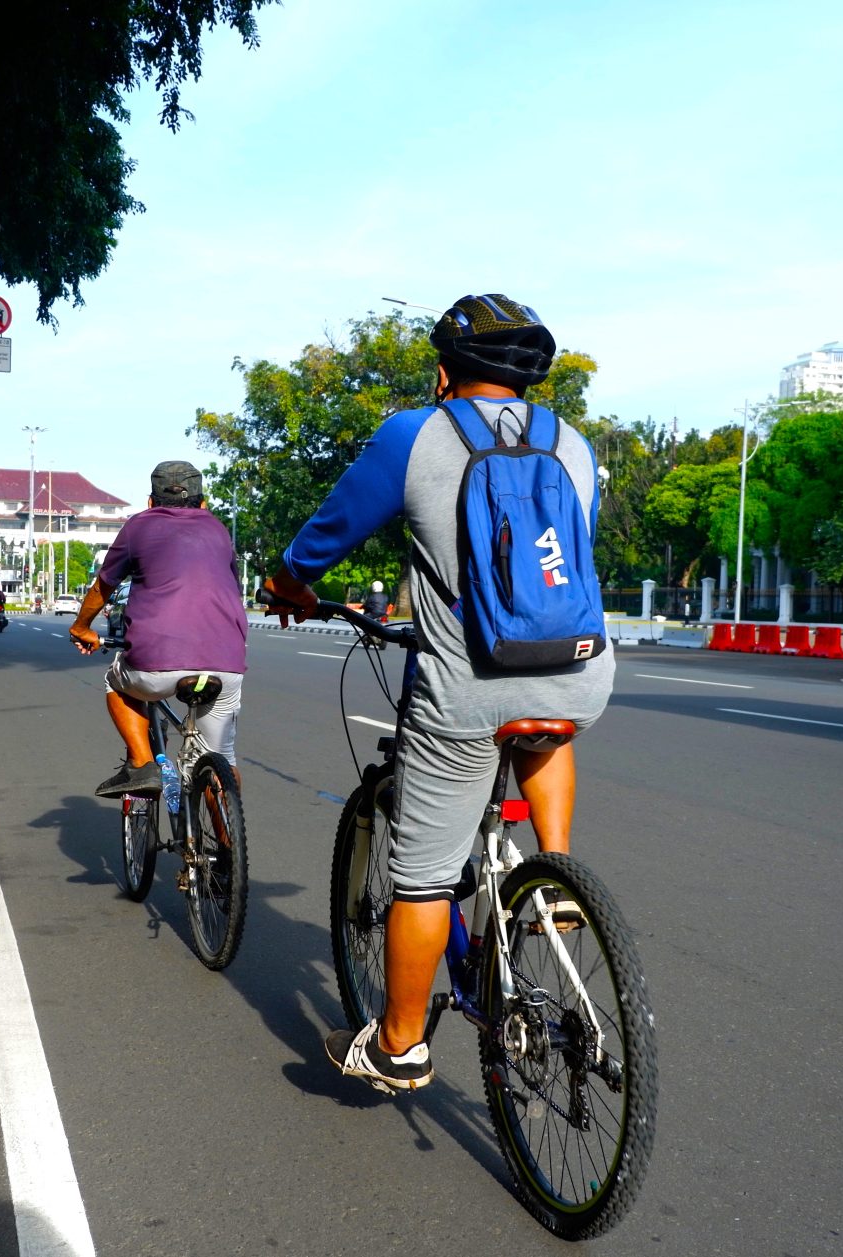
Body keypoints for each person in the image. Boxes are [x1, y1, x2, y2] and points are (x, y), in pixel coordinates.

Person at [261, 294, 613, 1093]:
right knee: (544, 728)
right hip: (577, 671)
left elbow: (326, 533)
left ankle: (399, 1043)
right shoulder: (575, 444)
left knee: (420, 875)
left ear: (447, 373)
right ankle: (553, 879)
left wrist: (289, 584)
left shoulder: (417, 434)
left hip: (465, 691)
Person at [69, 460, 248, 796]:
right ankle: (228, 847)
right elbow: (232, 590)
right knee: (221, 758)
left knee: (115, 681)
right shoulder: (219, 529)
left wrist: (82, 627)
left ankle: (141, 764)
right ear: (203, 502)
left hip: (155, 665)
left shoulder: (139, 526)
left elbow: (104, 586)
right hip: (226, 665)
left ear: (150, 502)